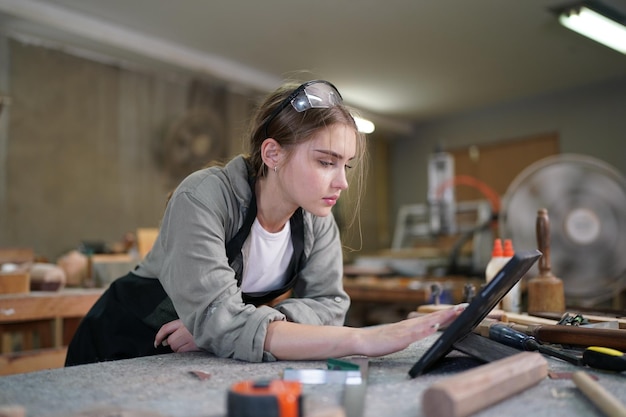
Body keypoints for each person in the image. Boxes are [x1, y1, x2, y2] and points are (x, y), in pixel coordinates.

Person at [65, 80, 462, 366]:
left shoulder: (317, 220)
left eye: (345, 165)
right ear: (272, 154)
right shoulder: (204, 197)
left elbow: (330, 306)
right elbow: (221, 322)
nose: (341, 182)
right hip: (122, 347)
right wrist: (365, 340)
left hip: (195, 360)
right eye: (326, 162)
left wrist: (224, 328)